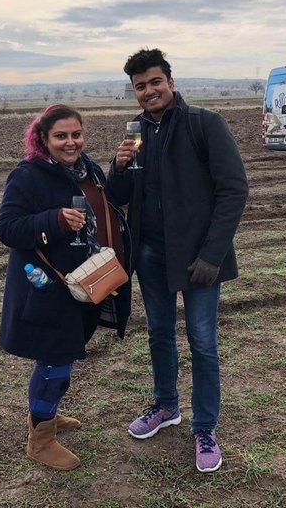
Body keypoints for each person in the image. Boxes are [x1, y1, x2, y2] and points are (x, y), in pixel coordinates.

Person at [106, 48, 248, 473]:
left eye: (154, 82)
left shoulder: (204, 124)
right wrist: (117, 166)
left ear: (170, 81)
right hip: (149, 255)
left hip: (199, 259)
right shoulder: (136, 133)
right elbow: (117, 198)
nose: (148, 91)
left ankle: (205, 427)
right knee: (159, 333)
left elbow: (234, 190)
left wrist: (212, 256)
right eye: (140, 87)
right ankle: (166, 406)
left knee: (203, 343)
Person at [0, 104, 132, 471]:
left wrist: (120, 170)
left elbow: (111, 207)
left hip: (86, 282)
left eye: (76, 135)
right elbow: (7, 229)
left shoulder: (89, 170)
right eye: (61, 136)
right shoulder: (27, 176)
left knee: (61, 355)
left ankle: (46, 416)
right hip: (49, 289)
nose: (70, 142)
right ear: (43, 139)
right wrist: (53, 221)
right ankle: (40, 441)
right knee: (56, 363)